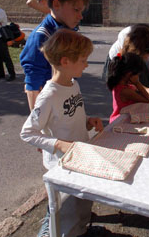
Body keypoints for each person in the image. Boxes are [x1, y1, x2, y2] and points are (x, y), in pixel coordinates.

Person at [20, 28, 103, 237]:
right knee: (65, 212)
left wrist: (87, 121)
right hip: (62, 165)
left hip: (80, 156)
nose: (87, 64)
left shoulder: (74, 84)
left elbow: (70, 114)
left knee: (84, 201)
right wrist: (58, 144)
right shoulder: (48, 95)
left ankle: (82, 229)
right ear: (66, 61)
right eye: (84, 60)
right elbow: (28, 133)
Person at [20, 0, 87, 111]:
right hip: (49, 104)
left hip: (66, 96)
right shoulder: (42, 36)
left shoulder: (68, 30)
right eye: (76, 10)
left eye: (81, 11)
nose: (80, 16)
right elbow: (33, 83)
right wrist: (38, 123)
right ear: (56, 4)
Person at [107, 52, 149, 123]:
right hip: (120, 122)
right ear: (129, 74)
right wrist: (137, 83)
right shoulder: (126, 91)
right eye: (138, 75)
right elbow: (148, 100)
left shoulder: (121, 85)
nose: (138, 77)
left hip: (121, 119)